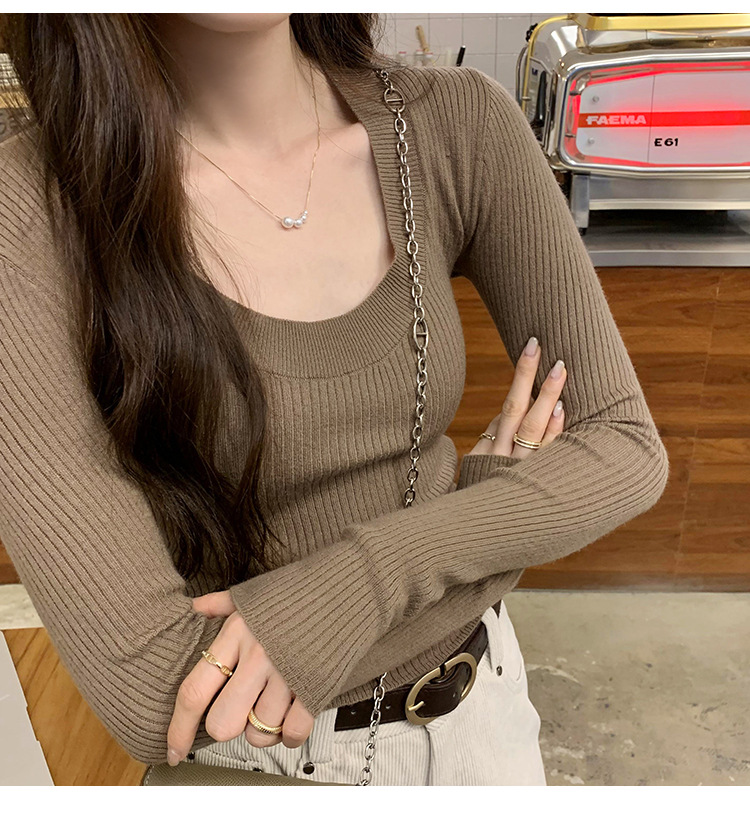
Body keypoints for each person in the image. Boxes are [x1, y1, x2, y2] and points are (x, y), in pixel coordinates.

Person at [0, 13, 669, 786]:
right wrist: (496, 525)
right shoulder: (31, 214)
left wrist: (369, 579)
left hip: (485, 721)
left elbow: (622, 443)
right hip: (265, 764)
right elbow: (156, 691)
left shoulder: (454, 123)